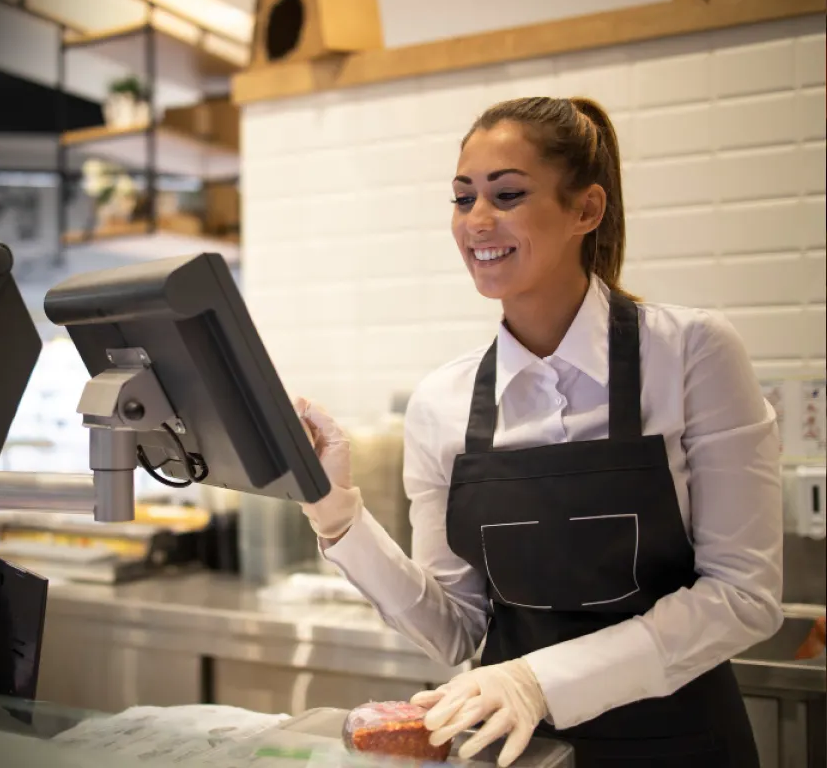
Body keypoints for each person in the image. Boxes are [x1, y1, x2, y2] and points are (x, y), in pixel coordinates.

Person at [294, 96, 783, 768]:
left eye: (508, 194)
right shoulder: (442, 402)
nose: (477, 221)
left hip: (682, 745)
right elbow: (454, 629)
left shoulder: (692, 354)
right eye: (463, 199)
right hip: (517, 755)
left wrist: (535, 681)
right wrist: (337, 514)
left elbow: (743, 596)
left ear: (586, 210)